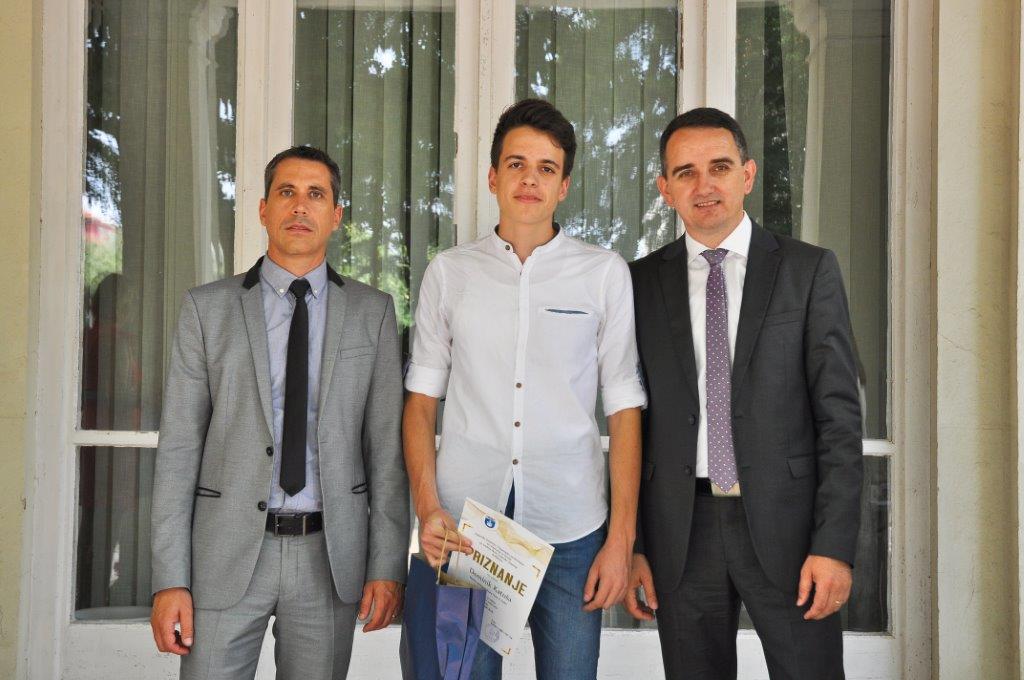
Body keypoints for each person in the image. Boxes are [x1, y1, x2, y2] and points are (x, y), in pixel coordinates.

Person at [402, 98, 646, 679]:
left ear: (564, 185)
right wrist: (429, 508)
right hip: (466, 528)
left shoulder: (603, 274)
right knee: (460, 675)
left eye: (546, 168)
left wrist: (621, 540)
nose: (530, 180)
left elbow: (624, 409)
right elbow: (420, 404)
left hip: (573, 528)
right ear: (493, 177)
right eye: (516, 164)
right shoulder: (450, 273)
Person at [149, 145, 409, 680]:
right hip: (223, 555)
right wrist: (170, 579)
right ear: (264, 209)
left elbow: (386, 451)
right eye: (286, 192)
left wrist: (387, 565)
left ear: (336, 215)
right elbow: (178, 450)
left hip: (328, 557)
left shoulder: (374, 313)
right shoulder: (207, 309)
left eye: (316, 194)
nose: (300, 206)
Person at [625, 108, 863, 679]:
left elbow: (839, 420)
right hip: (681, 534)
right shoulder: (637, 284)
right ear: (665, 189)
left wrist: (834, 545)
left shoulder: (808, 270)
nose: (704, 185)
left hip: (791, 530)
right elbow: (629, 420)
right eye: (685, 172)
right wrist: (632, 544)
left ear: (748, 174)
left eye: (720, 167)